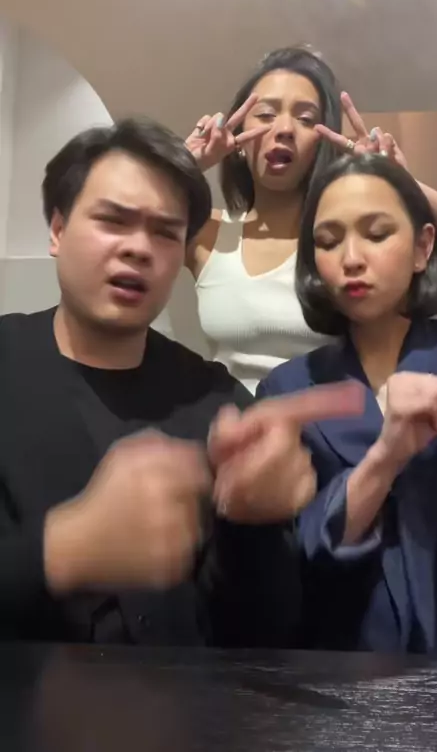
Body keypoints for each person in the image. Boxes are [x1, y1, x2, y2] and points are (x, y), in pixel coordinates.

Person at [0, 117, 363, 646]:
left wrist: (255, 524)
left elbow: (264, 635)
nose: (139, 248)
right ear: (57, 230)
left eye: (165, 233)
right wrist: (60, 552)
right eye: (113, 221)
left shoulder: (217, 403)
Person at [257, 152, 437, 655]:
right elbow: (298, 560)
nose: (352, 258)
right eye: (328, 241)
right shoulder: (290, 391)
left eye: (377, 233)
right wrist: (385, 457)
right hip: (342, 669)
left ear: (423, 247)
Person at [186, 45, 437, 393]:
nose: (284, 128)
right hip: (234, 424)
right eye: (265, 114)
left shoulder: (349, 243)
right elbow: (128, 227)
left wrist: (398, 181)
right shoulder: (208, 233)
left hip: (338, 425)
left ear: (323, 140)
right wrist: (185, 165)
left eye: (306, 119)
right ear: (238, 135)